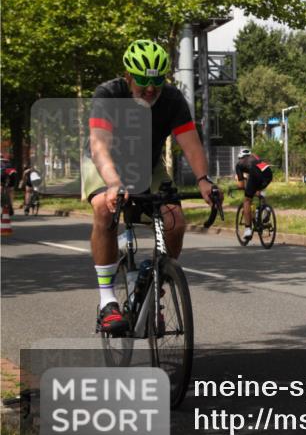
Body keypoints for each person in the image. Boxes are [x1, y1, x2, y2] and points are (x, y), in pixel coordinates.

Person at [85, 39, 218, 335]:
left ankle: (153, 285)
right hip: (105, 161)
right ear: (128, 75)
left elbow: (191, 144)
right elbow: (99, 146)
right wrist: (114, 184)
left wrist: (203, 180)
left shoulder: (171, 99)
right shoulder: (108, 94)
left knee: (174, 219)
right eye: (142, 82)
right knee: (104, 211)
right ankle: (108, 302)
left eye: (156, 82)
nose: (150, 90)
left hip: (148, 165)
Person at [234, 148, 273, 242]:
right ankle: (265, 208)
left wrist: (239, 187)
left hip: (255, 174)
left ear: (240, 158)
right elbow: (256, 173)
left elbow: (241, 185)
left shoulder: (239, 165)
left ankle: (248, 229)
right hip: (268, 172)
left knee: (247, 200)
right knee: (259, 190)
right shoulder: (255, 157)